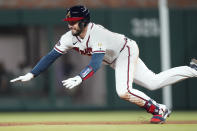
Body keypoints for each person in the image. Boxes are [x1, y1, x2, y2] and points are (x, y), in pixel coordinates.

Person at [10, 5, 197, 124]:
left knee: (122, 91)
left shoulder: (96, 34)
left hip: (125, 50)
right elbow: (51, 56)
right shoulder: (68, 37)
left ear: (84, 22)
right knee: (153, 82)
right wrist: (32, 74)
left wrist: (79, 77)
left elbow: (96, 63)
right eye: (69, 22)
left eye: (73, 22)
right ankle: (193, 69)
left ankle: (158, 109)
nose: (70, 26)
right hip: (116, 57)